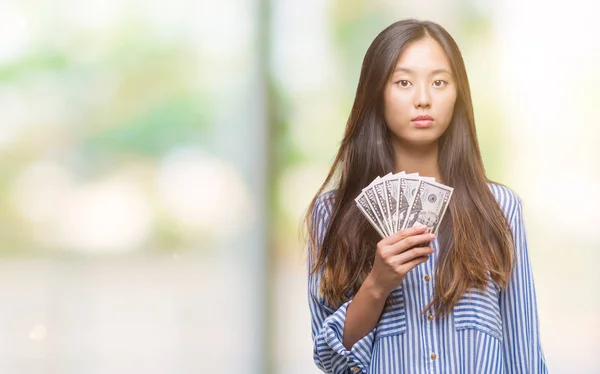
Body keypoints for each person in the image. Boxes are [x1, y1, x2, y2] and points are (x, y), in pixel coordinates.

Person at [305, 19, 547, 373]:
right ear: (376, 93)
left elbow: (524, 352)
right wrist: (377, 285)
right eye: (403, 82)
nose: (423, 99)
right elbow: (329, 361)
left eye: (439, 82)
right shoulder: (331, 215)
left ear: (457, 94)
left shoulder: (498, 208)